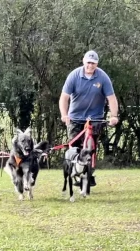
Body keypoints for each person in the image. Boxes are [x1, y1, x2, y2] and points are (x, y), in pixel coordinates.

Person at [59, 50, 119, 186]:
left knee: (90, 148)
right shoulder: (74, 76)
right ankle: (75, 172)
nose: (90, 66)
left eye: (93, 63)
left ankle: (88, 175)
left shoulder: (103, 77)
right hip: (75, 118)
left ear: (96, 64)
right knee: (74, 148)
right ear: (83, 61)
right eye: (88, 62)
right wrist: (64, 114)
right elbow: (64, 97)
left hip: (95, 119)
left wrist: (114, 116)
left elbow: (111, 98)